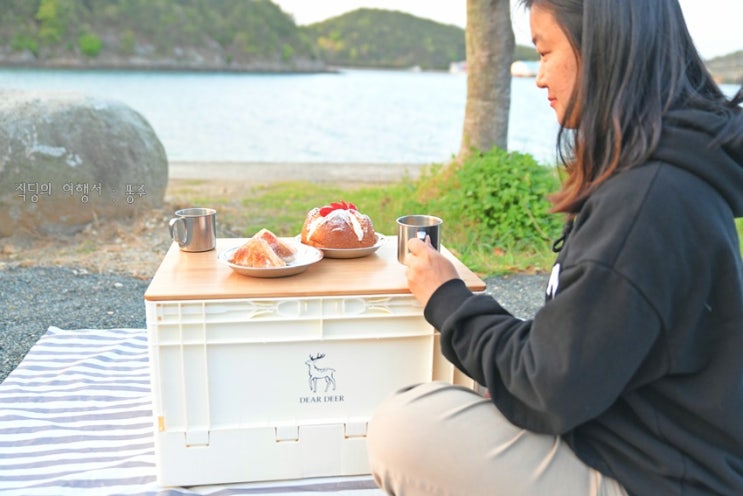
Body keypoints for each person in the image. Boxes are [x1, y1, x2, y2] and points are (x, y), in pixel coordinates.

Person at [366, 0, 743, 494]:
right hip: (639, 440)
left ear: (603, 47)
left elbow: (547, 386)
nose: (540, 78)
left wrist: (448, 299)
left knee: (405, 428)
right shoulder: (661, 176)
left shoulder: (646, 201)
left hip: (654, 475)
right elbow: (583, 347)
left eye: (545, 52)